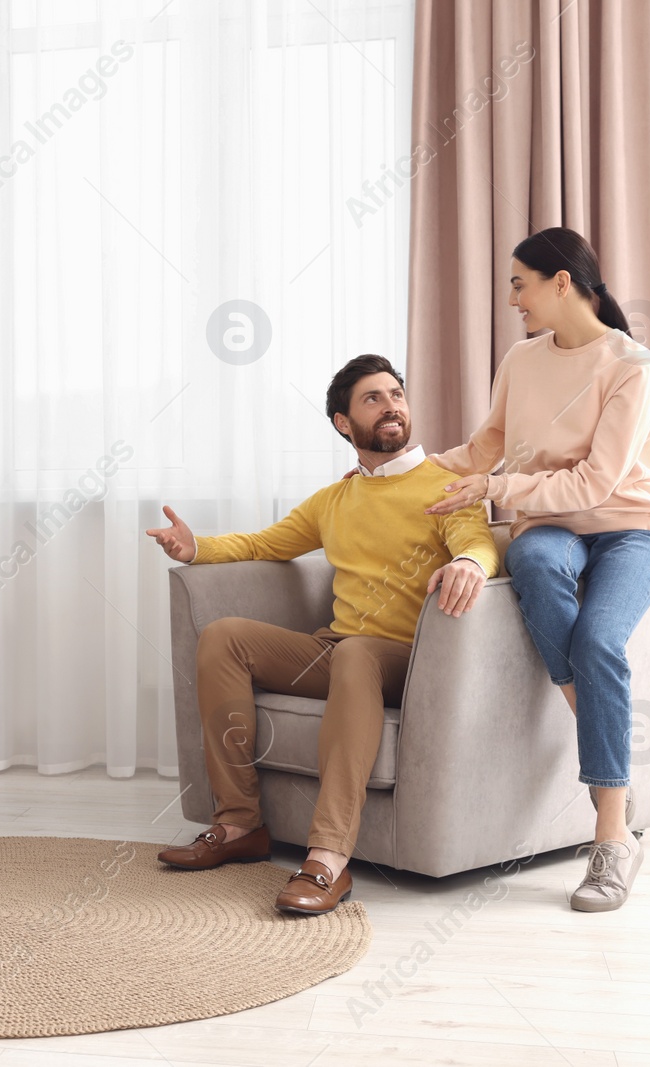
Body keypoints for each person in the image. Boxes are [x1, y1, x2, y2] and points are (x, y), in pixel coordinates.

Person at [146, 355, 499, 915]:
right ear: (343, 423)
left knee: (356, 653)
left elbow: (476, 539)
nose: (391, 407)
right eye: (373, 399)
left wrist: (473, 565)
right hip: (340, 653)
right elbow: (267, 543)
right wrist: (198, 549)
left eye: (396, 395)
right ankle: (239, 823)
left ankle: (328, 858)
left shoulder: (446, 485)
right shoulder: (336, 499)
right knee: (223, 637)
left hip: (409, 660)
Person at [426, 226, 650, 913]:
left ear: (561, 282)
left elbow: (596, 484)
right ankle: (598, 715)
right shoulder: (522, 359)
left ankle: (612, 838)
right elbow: (486, 447)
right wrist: (402, 468)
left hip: (631, 531)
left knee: (599, 639)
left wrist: (497, 488)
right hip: (550, 530)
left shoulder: (633, 366)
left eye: (518, 283)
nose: (512, 299)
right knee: (532, 557)